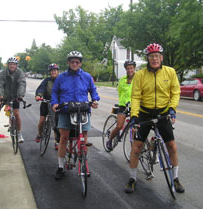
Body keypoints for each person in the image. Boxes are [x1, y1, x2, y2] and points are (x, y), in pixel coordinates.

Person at [125, 43, 185, 194]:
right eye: (151, 56)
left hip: (163, 113)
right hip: (145, 113)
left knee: (172, 146)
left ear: (161, 57)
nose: (154, 59)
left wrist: (172, 108)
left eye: (157, 56)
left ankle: (176, 179)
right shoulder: (140, 75)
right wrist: (134, 116)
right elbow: (136, 96)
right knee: (136, 147)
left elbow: (176, 92)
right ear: (147, 58)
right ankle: (132, 179)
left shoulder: (170, 72)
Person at [51, 51, 100, 180]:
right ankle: (60, 167)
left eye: (77, 62)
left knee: (83, 137)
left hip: (82, 110)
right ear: (68, 62)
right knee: (64, 137)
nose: (74, 64)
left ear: (80, 63)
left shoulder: (87, 76)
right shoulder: (61, 77)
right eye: (72, 61)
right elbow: (55, 92)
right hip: (65, 110)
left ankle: (84, 164)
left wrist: (94, 100)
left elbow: (93, 91)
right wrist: (55, 103)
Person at [106, 60, 136, 151]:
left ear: (134, 69)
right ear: (126, 69)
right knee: (119, 126)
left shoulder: (138, 79)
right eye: (128, 69)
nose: (129, 70)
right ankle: (110, 140)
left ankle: (134, 149)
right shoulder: (122, 80)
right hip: (123, 105)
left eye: (131, 68)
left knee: (134, 127)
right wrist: (123, 102)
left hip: (134, 105)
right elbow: (120, 92)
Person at [35, 63, 60, 150]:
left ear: (57, 71)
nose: (53, 72)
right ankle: (39, 134)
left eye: (55, 70)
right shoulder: (47, 80)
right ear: (50, 72)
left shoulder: (61, 80)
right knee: (42, 120)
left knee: (56, 124)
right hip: (46, 102)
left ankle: (57, 141)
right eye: (52, 71)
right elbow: (41, 88)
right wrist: (39, 95)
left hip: (56, 104)